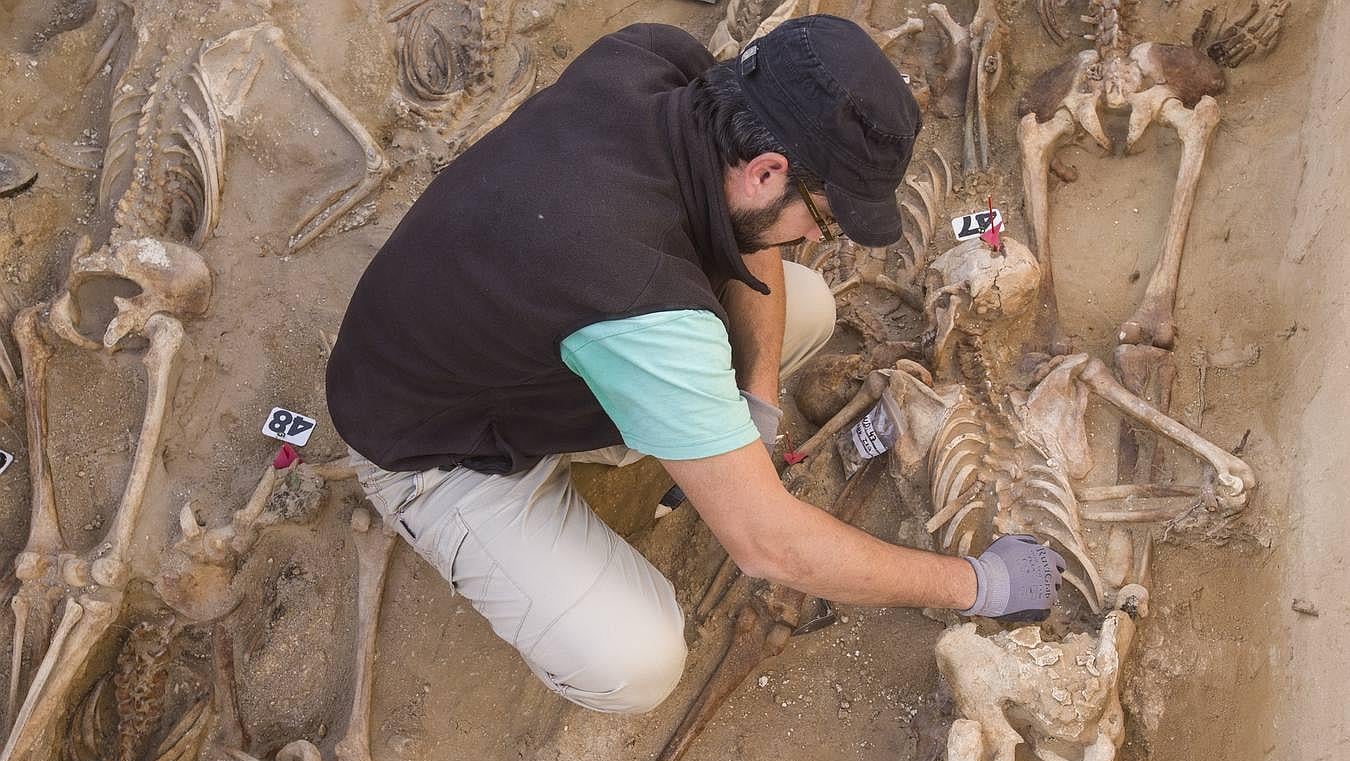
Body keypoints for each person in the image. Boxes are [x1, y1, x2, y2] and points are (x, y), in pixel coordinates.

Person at [325, 15, 1065, 715]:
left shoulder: (661, 64)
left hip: (493, 325)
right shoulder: (639, 299)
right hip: (433, 445)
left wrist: (760, 406)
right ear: (768, 170)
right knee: (637, 660)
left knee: (804, 305)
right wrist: (979, 582)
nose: (818, 234)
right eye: (827, 215)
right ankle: (538, 512)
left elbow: (754, 242)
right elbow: (767, 546)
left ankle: (655, 440)